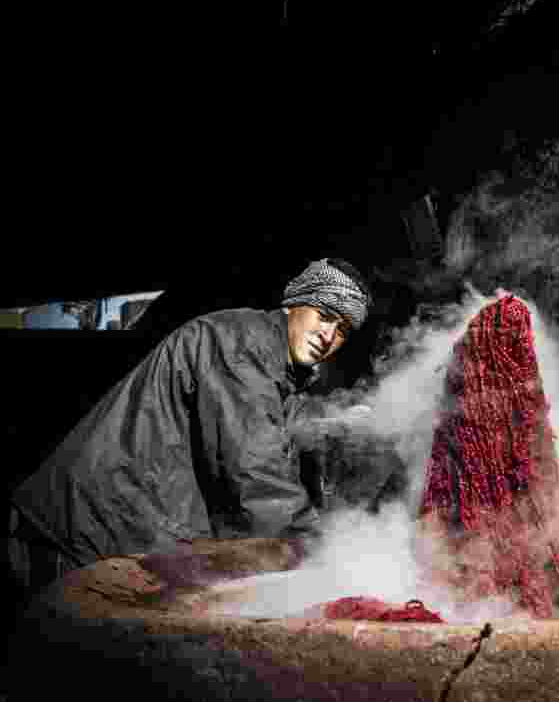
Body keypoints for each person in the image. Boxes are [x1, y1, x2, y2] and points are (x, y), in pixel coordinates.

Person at [4, 257, 373, 599]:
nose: (328, 335)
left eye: (342, 330)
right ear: (295, 302)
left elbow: (276, 419)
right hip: (84, 532)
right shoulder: (243, 344)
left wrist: (337, 416)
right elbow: (254, 470)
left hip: (105, 525)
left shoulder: (270, 361)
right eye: (325, 315)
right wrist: (324, 554)